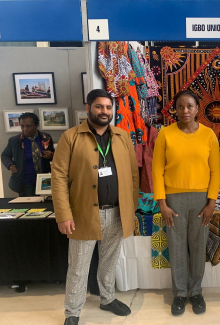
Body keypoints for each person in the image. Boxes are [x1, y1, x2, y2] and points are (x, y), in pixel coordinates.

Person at [51, 89, 139, 325]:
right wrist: (63, 214)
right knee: (78, 267)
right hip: (83, 214)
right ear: (88, 108)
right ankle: (72, 311)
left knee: (109, 261)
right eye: (99, 107)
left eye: (109, 107)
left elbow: (132, 174)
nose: (105, 111)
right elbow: (58, 177)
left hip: (117, 212)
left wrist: (131, 209)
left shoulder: (122, 136)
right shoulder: (71, 137)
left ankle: (107, 298)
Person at [152, 90, 220, 316]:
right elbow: (157, 170)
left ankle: (197, 291)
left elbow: (216, 171)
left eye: (189, 106)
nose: (185, 111)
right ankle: (180, 293)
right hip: (174, 199)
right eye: (180, 106)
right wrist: (162, 203)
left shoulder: (209, 135)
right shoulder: (165, 134)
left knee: (198, 245)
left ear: (197, 108)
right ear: (175, 109)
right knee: (177, 246)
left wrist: (211, 202)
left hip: (201, 199)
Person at [1, 112, 54, 196]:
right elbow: (4, 155)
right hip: (26, 181)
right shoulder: (15, 141)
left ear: (36, 125)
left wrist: (52, 155)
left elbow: (54, 156)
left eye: (28, 126)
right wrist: (11, 166)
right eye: (22, 126)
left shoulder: (46, 137)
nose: (25, 129)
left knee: (46, 205)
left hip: (45, 180)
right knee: (29, 206)